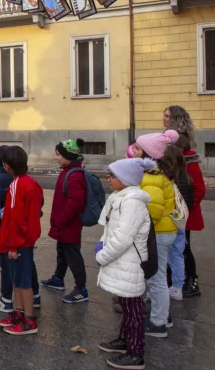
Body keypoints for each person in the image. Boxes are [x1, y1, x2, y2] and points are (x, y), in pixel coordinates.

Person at [96, 158, 154, 370]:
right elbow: (111, 230)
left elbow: (122, 239)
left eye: (113, 175)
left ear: (126, 179)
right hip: (122, 262)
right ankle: (124, 340)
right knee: (127, 304)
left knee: (134, 309)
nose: (108, 179)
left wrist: (102, 255)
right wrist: (102, 244)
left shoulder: (132, 203)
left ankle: (136, 353)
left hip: (130, 263)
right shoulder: (121, 198)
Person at [132, 130, 181, 338]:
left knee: (156, 278)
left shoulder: (151, 178)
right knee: (157, 276)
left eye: (137, 148)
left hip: (158, 232)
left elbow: (152, 210)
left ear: (147, 154)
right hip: (162, 231)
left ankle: (158, 323)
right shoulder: (156, 174)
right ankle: (164, 315)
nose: (133, 150)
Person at [0, 146, 42, 336]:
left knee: (22, 282)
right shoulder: (30, 182)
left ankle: (28, 319)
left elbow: (16, 218)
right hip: (25, 239)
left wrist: (12, 246)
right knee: (18, 280)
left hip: (19, 241)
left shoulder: (16, 186)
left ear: (6, 166)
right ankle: (19, 314)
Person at [164, 106, 205, 298]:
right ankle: (174, 279)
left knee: (184, 247)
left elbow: (199, 189)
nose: (163, 119)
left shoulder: (187, 156)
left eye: (167, 116)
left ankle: (192, 281)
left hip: (183, 211)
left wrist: (184, 208)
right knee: (175, 247)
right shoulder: (171, 148)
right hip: (173, 210)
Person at [41, 139, 89, 304]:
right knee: (62, 250)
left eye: (59, 155)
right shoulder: (67, 171)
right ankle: (58, 278)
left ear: (68, 156)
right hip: (64, 224)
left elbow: (76, 202)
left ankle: (81, 288)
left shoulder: (74, 175)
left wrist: (62, 220)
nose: (57, 158)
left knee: (73, 255)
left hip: (69, 224)